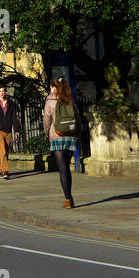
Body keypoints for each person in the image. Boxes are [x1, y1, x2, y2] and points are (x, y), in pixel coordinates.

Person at [43, 78, 83, 208]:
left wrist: (46, 134)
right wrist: (78, 135)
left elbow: (46, 120)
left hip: (57, 137)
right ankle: (69, 197)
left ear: (53, 87)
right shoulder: (69, 98)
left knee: (63, 169)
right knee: (67, 168)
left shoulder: (50, 101)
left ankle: (68, 199)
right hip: (71, 137)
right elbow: (77, 118)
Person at [0, 85, 19, 180]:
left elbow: (14, 117)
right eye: (0, 91)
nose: (2, 93)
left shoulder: (10, 103)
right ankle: (6, 171)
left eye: (3, 91)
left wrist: (17, 129)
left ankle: (1, 171)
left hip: (8, 130)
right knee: (2, 150)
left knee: (5, 151)